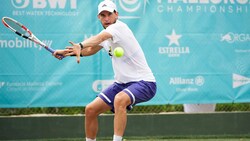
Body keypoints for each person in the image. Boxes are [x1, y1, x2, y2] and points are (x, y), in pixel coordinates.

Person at [53, 0, 157, 141]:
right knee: (90, 110)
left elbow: (99, 38)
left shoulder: (119, 28)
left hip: (145, 83)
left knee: (120, 99)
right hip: (122, 84)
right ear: (99, 17)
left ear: (116, 14)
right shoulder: (106, 34)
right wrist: (64, 53)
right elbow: (90, 49)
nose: (106, 18)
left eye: (109, 14)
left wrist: (79, 44)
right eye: (103, 15)